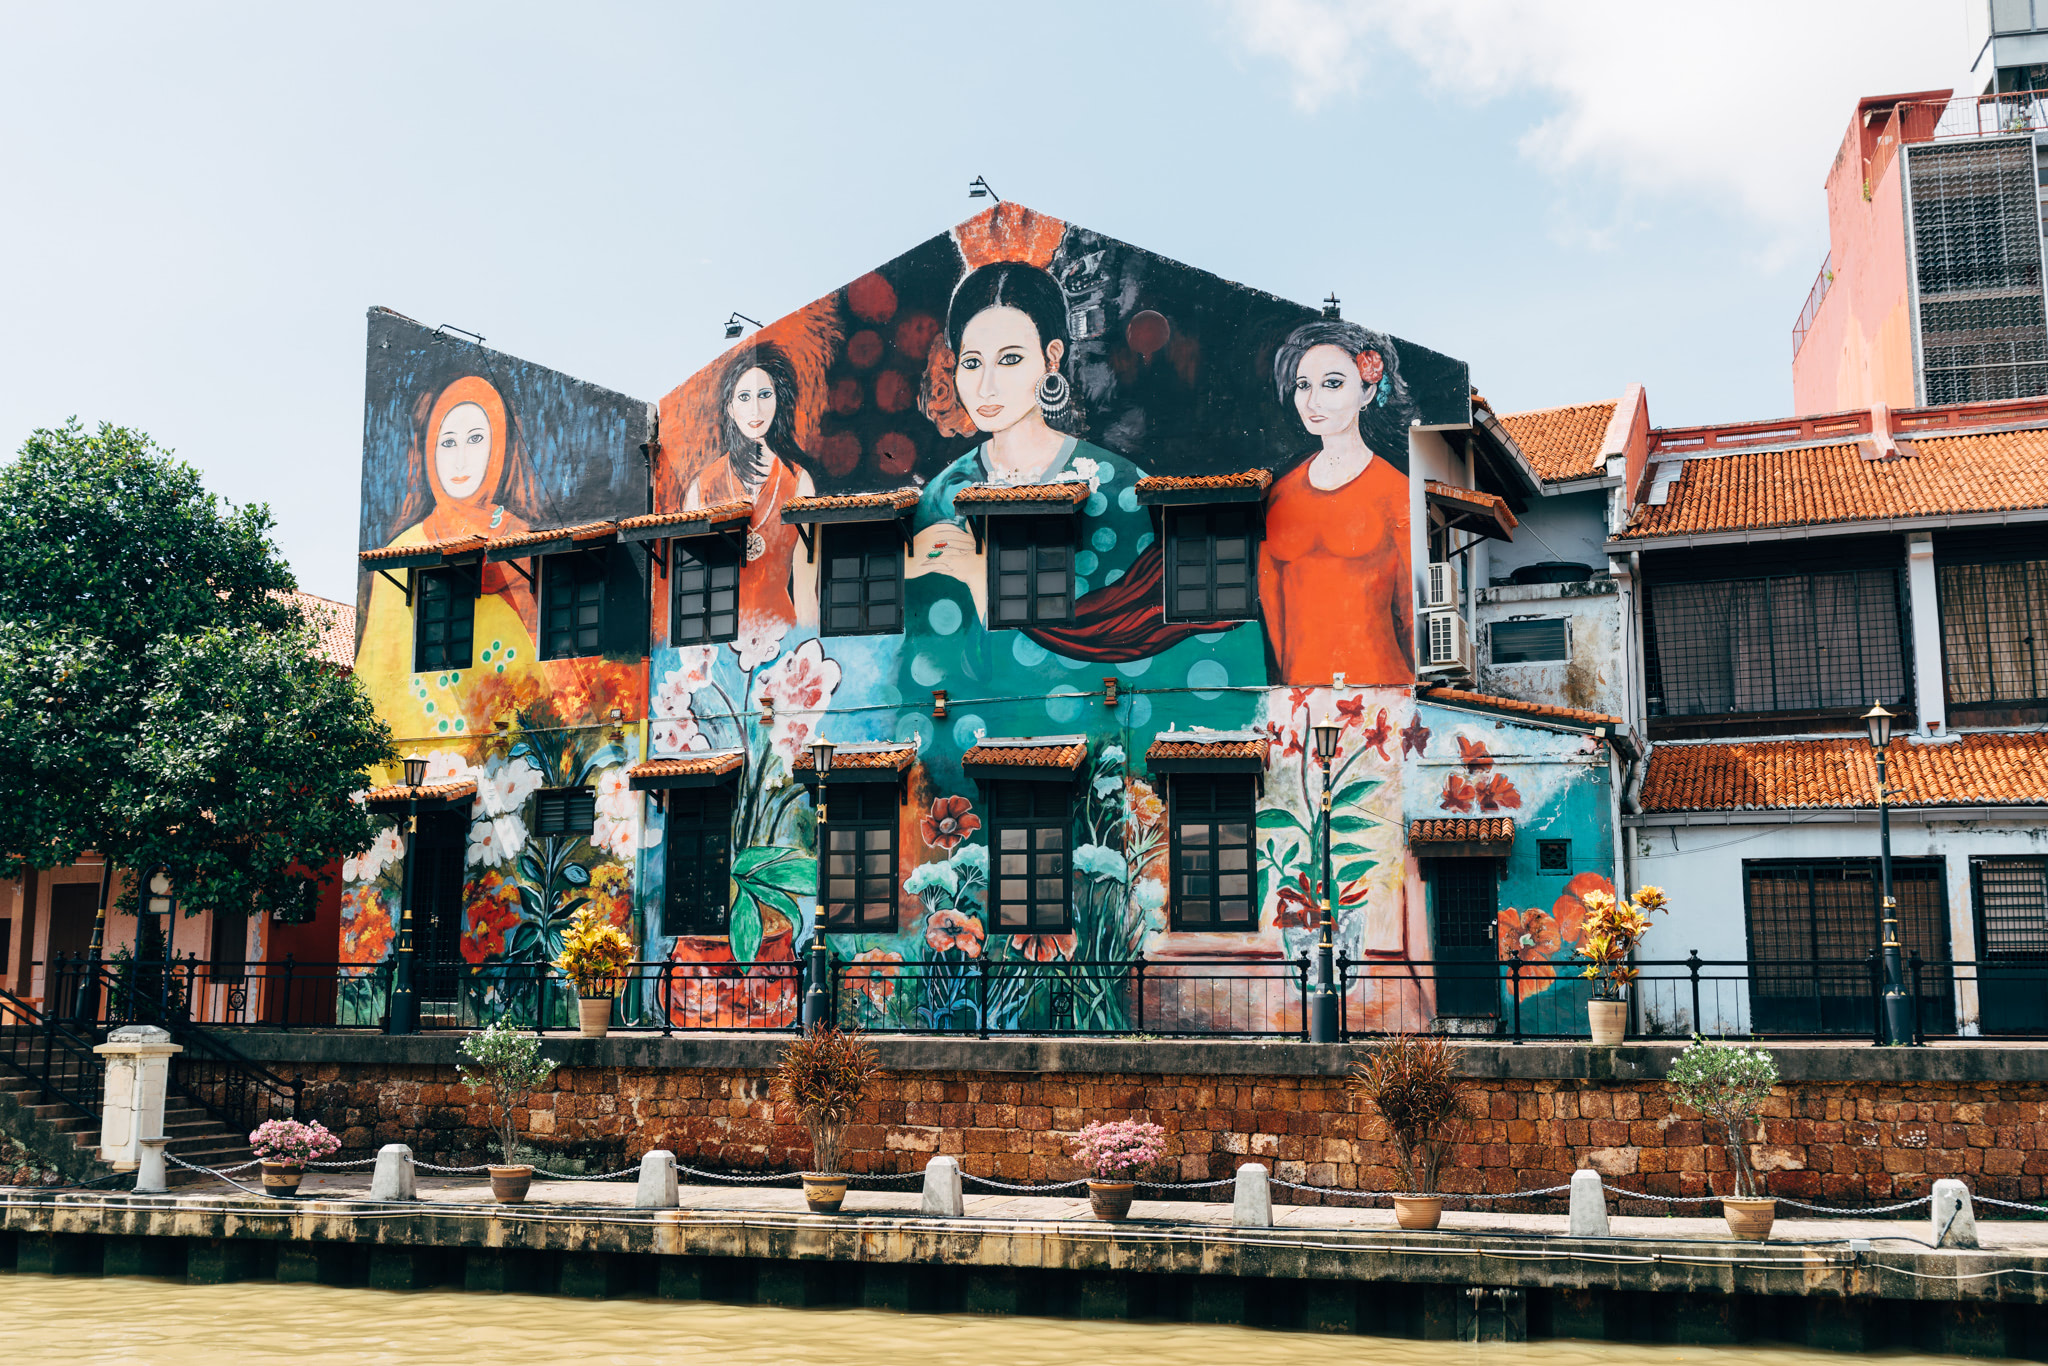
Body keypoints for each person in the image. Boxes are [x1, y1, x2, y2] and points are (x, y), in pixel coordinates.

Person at [1258, 320, 1415, 687]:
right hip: (1297, 694)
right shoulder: (1280, 493)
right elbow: (1272, 610)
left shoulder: (1396, 492)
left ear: (1367, 391)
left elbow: (1410, 612)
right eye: (1303, 385)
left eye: (1332, 383)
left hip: (1383, 691)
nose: (1313, 401)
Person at [685, 343, 818, 632]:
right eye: (744, 397)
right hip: (720, 637)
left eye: (764, 395)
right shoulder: (701, 488)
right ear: (730, 408)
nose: (755, 409)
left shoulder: (799, 481)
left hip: (782, 634)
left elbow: (806, 587)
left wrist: (809, 642)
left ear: (778, 401)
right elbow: (692, 585)